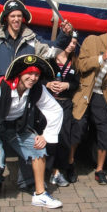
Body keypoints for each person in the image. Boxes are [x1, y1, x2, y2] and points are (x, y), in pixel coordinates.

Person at [0, 0, 72, 196]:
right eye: (13, 16)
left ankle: (28, 181)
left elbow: (51, 51)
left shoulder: (33, 42)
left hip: (23, 101)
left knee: (27, 141)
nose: (16, 19)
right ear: (6, 19)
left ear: (23, 19)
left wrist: (64, 35)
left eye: (19, 16)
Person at [0, 54, 64, 210]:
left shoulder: (37, 89)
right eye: (29, 73)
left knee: (39, 148)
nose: (33, 78)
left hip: (16, 128)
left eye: (36, 74)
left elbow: (55, 110)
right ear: (20, 74)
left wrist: (46, 136)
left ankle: (40, 195)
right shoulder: (1, 86)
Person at [71, 20, 107, 185]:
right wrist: (100, 58)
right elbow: (80, 65)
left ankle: (100, 170)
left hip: (99, 93)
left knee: (106, 128)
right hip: (84, 91)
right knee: (78, 126)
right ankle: (70, 164)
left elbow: (105, 78)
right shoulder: (92, 40)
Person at [42, 31, 80, 186]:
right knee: (49, 137)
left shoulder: (74, 62)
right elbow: (39, 78)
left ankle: (57, 170)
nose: (72, 45)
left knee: (64, 138)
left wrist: (67, 85)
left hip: (65, 104)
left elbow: (77, 83)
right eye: (70, 41)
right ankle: (50, 171)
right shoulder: (49, 59)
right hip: (49, 104)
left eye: (74, 43)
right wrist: (48, 84)